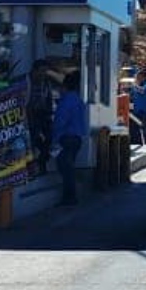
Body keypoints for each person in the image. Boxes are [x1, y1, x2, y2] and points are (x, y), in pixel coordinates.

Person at [51, 71, 90, 206]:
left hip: (66, 138)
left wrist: (54, 139)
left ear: (64, 86)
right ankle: (69, 195)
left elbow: (60, 122)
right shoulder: (78, 100)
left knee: (65, 168)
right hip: (77, 138)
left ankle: (69, 197)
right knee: (68, 166)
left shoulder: (65, 101)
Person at [129, 68, 146, 146]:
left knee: (144, 127)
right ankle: (138, 142)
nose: (138, 78)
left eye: (139, 77)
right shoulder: (136, 86)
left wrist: (134, 85)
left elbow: (142, 91)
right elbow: (131, 96)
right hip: (136, 110)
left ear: (143, 77)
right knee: (136, 128)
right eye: (137, 77)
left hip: (144, 111)